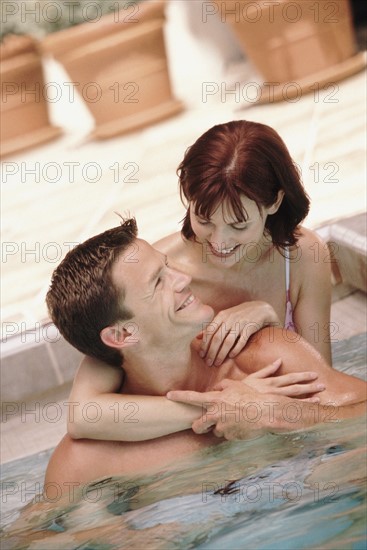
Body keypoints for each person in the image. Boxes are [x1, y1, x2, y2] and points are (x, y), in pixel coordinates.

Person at [44, 220, 366, 490]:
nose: (183, 279)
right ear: (123, 335)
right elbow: (40, 535)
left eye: (167, 266)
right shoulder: (89, 460)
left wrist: (279, 414)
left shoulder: (265, 360)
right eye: (158, 283)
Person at [66, 119, 334, 443]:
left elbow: (322, 385)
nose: (219, 242)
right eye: (204, 219)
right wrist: (223, 408)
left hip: (279, 436)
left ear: (274, 202)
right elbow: (84, 414)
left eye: (238, 225)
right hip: (192, 447)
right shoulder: (160, 277)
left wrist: (268, 314)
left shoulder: (303, 257)